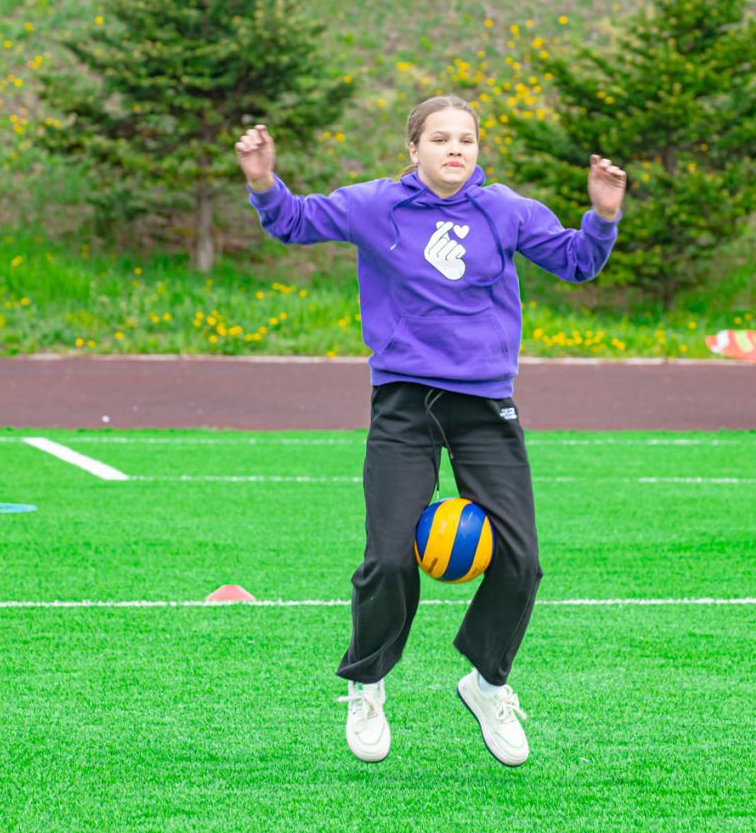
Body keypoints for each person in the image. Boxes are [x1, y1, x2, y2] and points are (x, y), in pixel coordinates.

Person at [233, 95, 626, 767]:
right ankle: (367, 683)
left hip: (484, 403)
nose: (455, 149)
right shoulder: (376, 205)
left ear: (478, 150)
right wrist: (264, 181)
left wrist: (604, 216)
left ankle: (487, 682)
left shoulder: (505, 210)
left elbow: (577, 262)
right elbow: (294, 222)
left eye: (466, 139)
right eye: (440, 138)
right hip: (405, 401)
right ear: (412, 149)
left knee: (522, 560)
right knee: (388, 557)